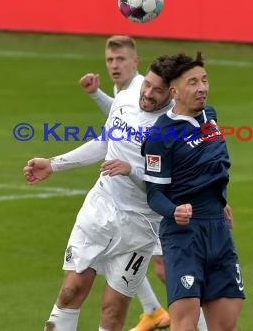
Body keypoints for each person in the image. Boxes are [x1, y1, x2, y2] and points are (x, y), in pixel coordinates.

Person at [24, 56, 174, 331]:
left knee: (113, 311)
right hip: (101, 206)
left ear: (172, 92)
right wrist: (54, 165)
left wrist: (130, 170)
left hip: (141, 226)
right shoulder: (126, 98)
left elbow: (163, 185)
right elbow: (104, 142)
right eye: (147, 85)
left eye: (158, 90)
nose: (148, 94)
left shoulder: (173, 127)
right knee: (71, 290)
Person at [142, 52, 245, 330]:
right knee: (185, 325)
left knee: (226, 325)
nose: (202, 88)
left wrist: (220, 200)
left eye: (204, 80)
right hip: (184, 236)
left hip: (218, 232)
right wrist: (174, 210)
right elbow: (154, 195)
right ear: (174, 91)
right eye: (193, 82)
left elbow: (211, 166)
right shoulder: (159, 138)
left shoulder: (210, 118)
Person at [78, 35, 175, 331]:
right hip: (131, 200)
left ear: (136, 61)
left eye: (121, 59)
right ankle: (154, 311)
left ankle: (194, 319)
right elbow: (121, 118)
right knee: (117, 254)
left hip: (149, 200)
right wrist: (97, 94)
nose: (115, 65)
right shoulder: (126, 90)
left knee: (165, 269)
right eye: (110, 60)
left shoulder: (143, 89)